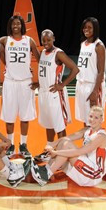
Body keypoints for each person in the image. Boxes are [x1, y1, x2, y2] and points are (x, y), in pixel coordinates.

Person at [31, 106, 106, 187]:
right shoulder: (87, 130)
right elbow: (66, 138)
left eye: (96, 117)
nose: (92, 120)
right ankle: (47, 169)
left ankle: (46, 176)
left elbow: (79, 151)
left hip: (93, 174)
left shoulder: (101, 136)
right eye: (91, 116)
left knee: (67, 145)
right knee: (64, 141)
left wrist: (55, 152)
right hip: (86, 165)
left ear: (101, 120)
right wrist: (51, 144)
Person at [33, 29, 80, 163]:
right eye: (44, 40)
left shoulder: (58, 53)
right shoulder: (42, 52)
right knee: (49, 124)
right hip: (43, 93)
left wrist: (62, 84)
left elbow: (75, 69)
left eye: (48, 39)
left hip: (55, 94)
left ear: (53, 38)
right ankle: (49, 150)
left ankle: (61, 155)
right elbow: (45, 72)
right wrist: (39, 83)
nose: (46, 42)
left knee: (59, 126)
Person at [0, 15, 40, 158]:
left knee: (25, 116)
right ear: (10, 26)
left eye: (18, 24)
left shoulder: (29, 41)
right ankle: (10, 144)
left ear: (22, 25)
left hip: (25, 83)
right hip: (10, 82)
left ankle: (23, 145)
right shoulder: (5, 40)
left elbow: (41, 59)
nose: (16, 26)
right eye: (13, 24)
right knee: (9, 116)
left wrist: (39, 79)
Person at [75, 17, 106, 126]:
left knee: (95, 121)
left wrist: (95, 91)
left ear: (95, 29)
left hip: (93, 86)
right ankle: (87, 141)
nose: (86, 29)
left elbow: (101, 71)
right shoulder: (83, 44)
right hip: (82, 84)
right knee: (86, 119)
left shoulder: (99, 46)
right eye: (85, 27)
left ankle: (96, 142)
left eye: (90, 27)